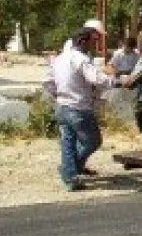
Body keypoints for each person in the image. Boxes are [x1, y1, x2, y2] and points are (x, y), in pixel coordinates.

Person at [43, 26, 123, 191]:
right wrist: (118, 82)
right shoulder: (81, 59)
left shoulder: (59, 59)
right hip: (78, 108)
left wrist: (58, 95)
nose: (94, 45)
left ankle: (70, 176)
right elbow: (96, 78)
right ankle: (70, 168)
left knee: (68, 142)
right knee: (93, 141)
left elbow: (48, 82)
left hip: (62, 107)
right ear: (82, 41)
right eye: (93, 41)